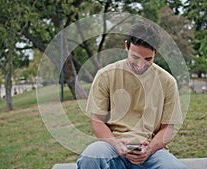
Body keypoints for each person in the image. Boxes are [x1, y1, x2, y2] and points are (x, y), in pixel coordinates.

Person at [77, 21, 187, 169]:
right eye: (135, 57)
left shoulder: (167, 82)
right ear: (126, 46)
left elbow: (167, 128)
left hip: (151, 152)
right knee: (90, 158)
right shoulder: (105, 75)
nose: (140, 65)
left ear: (155, 52)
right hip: (112, 147)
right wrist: (116, 144)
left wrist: (149, 149)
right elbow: (97, 120)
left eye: (148, 59)